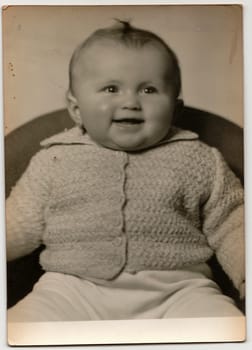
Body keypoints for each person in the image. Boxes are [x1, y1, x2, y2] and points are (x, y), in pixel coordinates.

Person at [6, 21, 245, 322]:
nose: (130, 102)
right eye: (111, 88)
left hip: (179, 290)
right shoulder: (54, 159)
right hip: (72, 289)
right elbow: (18, 221)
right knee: (21, 325)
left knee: (224, 323)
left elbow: (233, 222)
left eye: (149, 89)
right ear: (76, 108)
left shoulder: (198, 158)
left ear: (175, 108)